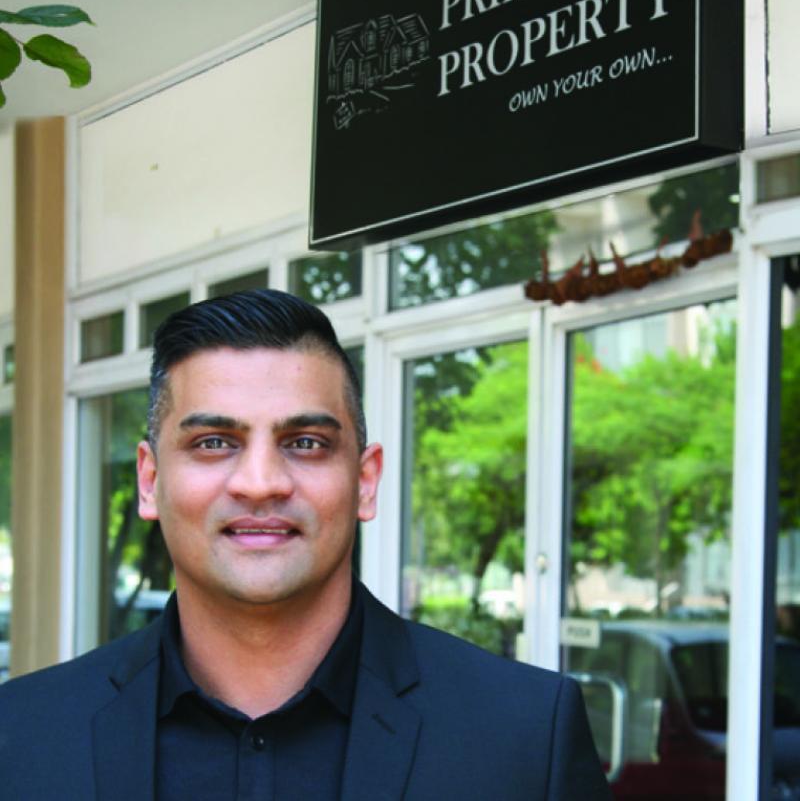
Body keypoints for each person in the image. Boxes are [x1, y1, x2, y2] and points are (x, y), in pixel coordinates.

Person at [0, 289, 611, 800]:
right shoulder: (20, 737)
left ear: (365, 482)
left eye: (305, 443)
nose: (261, 482)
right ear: (150, 480)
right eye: (214, 442)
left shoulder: (527, 737)